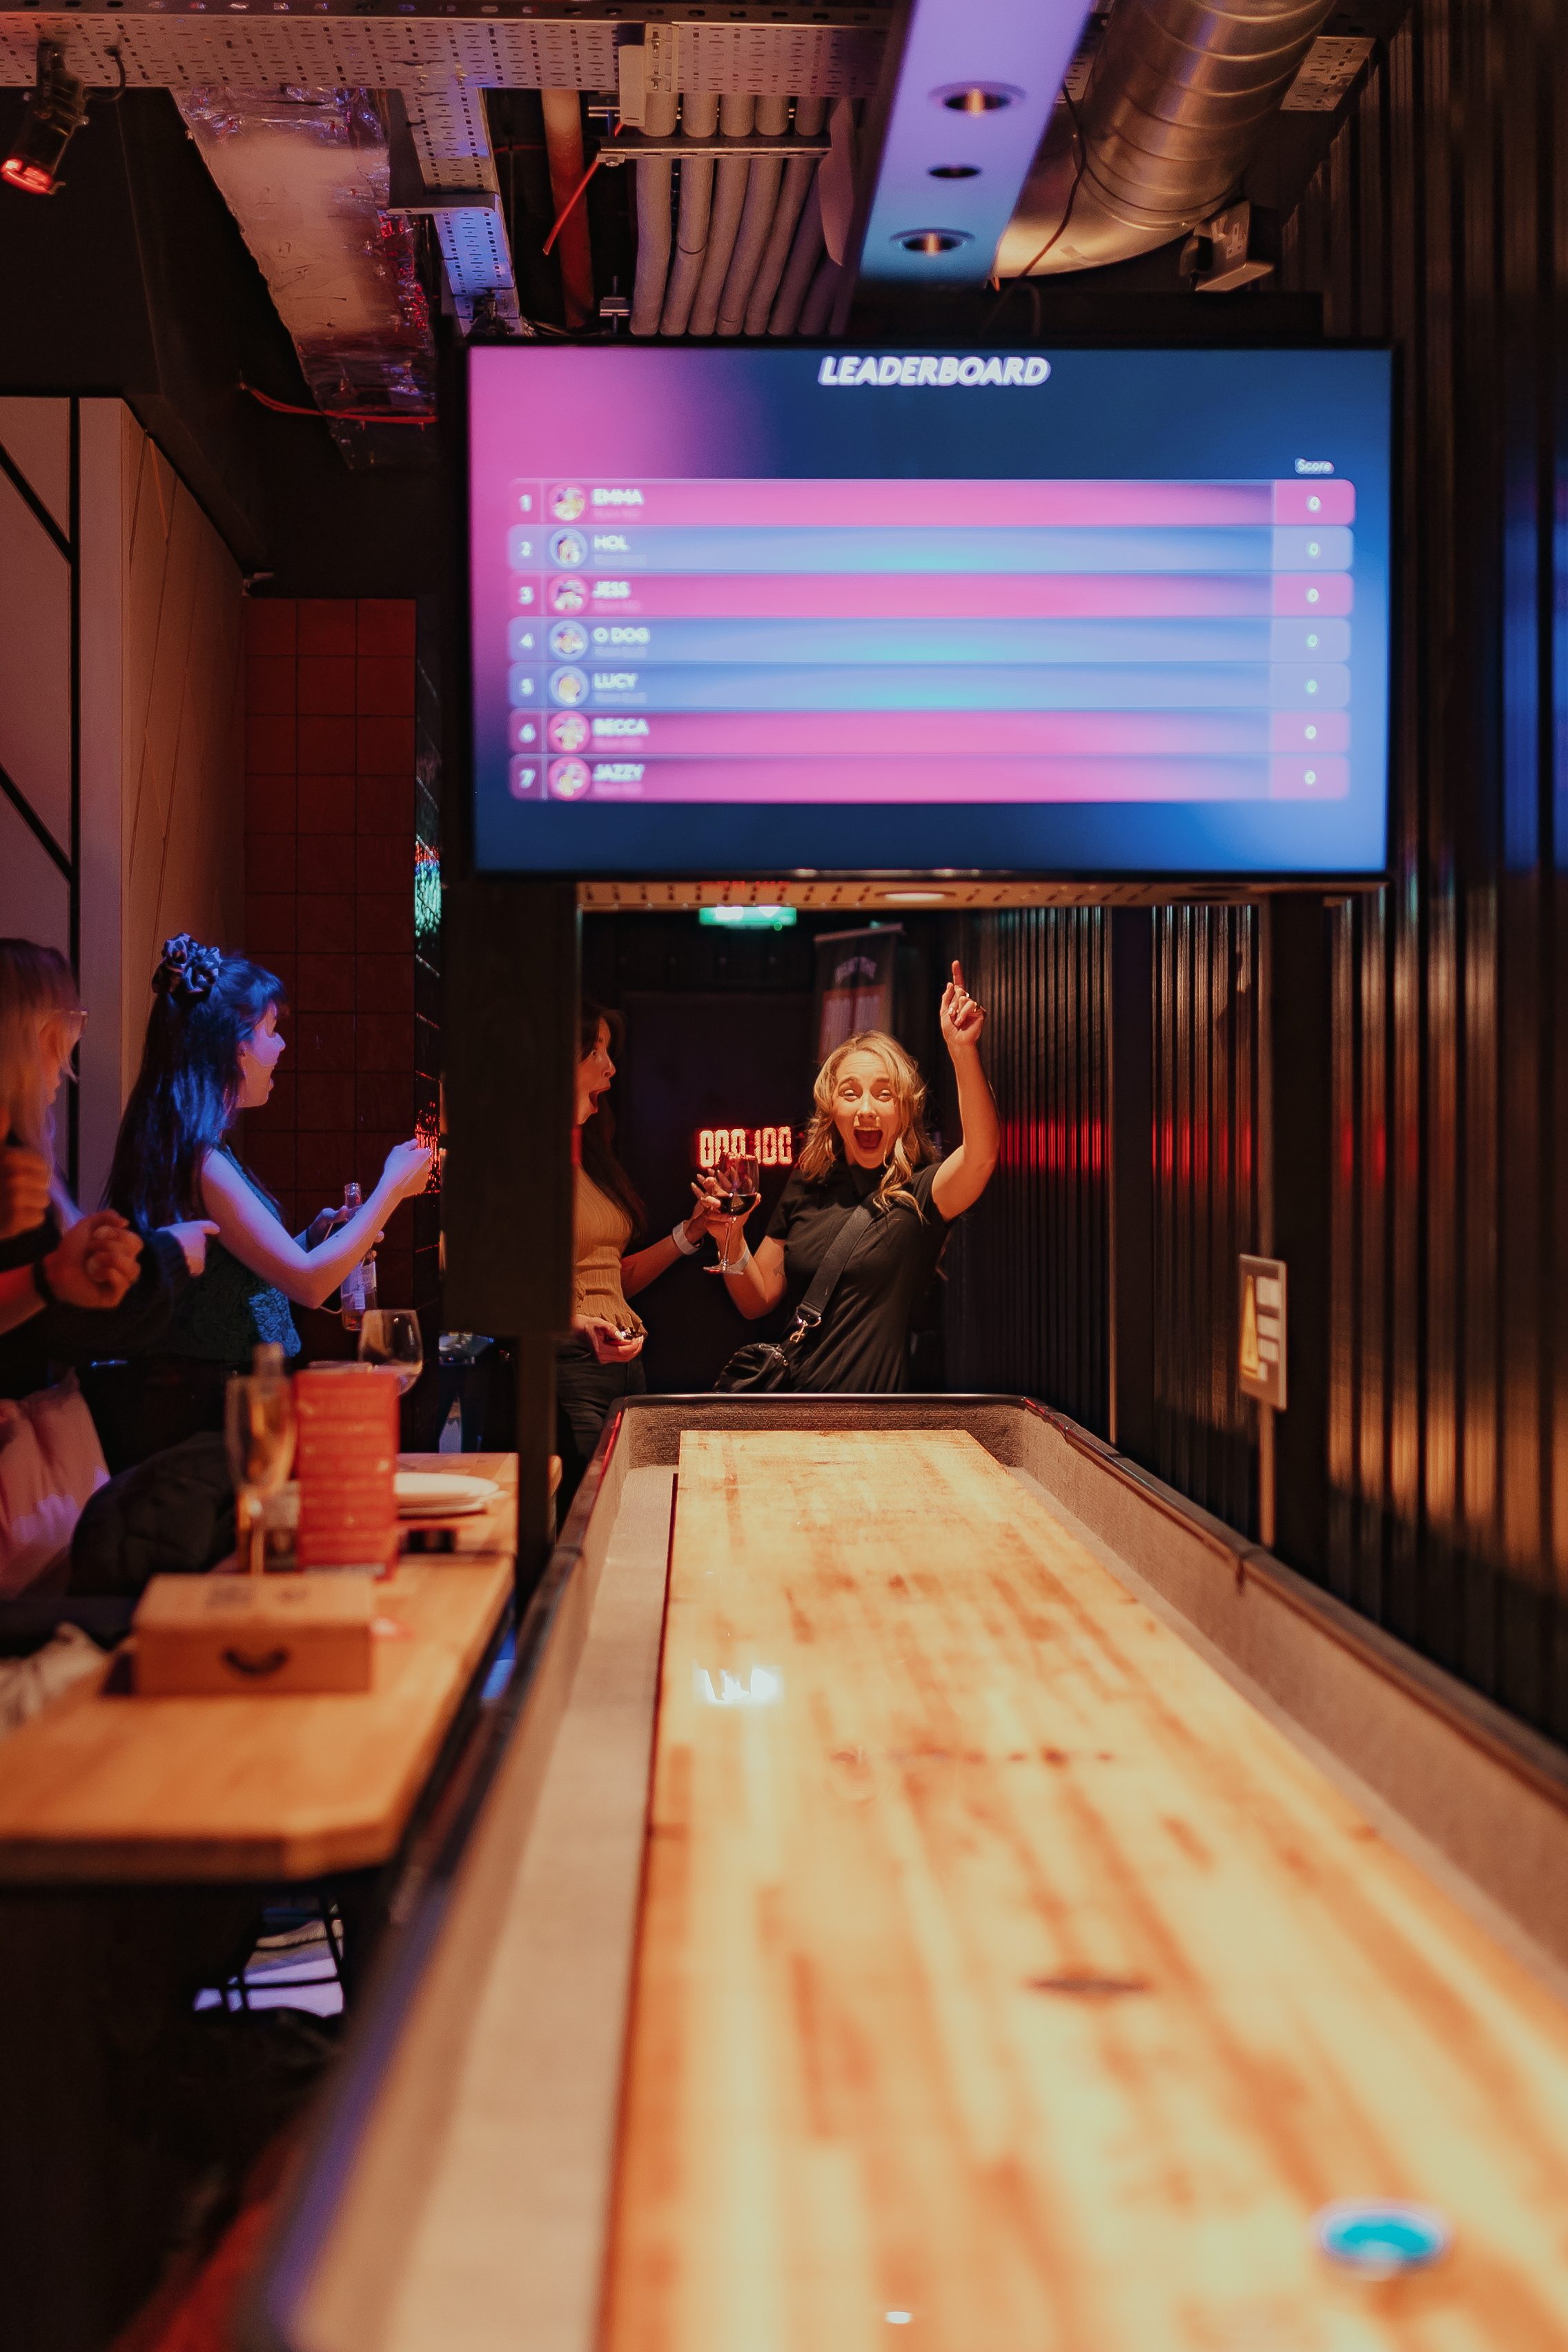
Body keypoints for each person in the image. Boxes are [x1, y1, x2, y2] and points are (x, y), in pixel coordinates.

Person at [104, 934, 431, 1459]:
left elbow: (236, 1270)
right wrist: (392, 1187)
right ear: (236, 1046)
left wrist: (315, 1236)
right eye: (271, 1031)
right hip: (199, 1417)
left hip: (212, 1402)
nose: (280, 1048)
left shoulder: (194, 1146)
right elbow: (308, 1282)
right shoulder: (200, 1159)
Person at [0, 940, 210, 1594]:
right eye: (268, 1030)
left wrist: (100, 1260)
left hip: (46, 1457)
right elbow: (65, 1322)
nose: (70, 1056)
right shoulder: (16, 1166)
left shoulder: (28, 1162)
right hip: (22, 1473)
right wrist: (168, 1259)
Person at [709, 961, 1000, 1391]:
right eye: (851, 1093)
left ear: (903, 1111)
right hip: (794, 1418)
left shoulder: (919, 1193)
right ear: (832, 1109)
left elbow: (981, 1155)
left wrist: (962, 1051)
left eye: (885, 1094)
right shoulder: (806, 1182)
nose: (866, 1108)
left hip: (874, 1426)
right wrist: (728, 1237)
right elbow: (758, 1300)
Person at [557, 1001, 723, 1507]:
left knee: (630, 1512)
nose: (610, 1067)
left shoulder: (588, 1155)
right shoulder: (526, 1164)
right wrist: (579, 1325)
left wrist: (690, 1233)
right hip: (572, 1364)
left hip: (625, 1363)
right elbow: (513, 1286)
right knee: (590, 1519)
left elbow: (613, 1278)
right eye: (595, 1051)